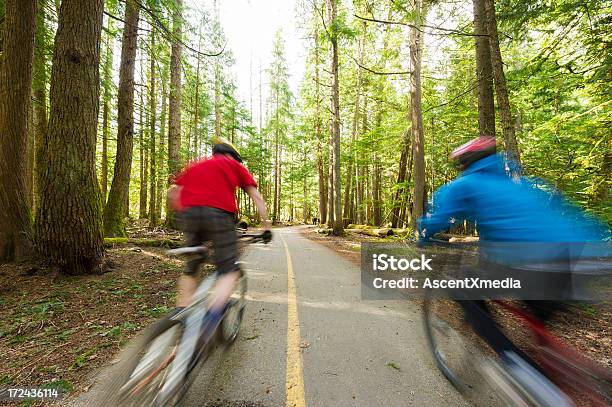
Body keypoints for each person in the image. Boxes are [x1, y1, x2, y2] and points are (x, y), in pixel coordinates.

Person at [418, 135, 608, 405]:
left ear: (464, 163)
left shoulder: (465, 184)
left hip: (534, 263)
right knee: (540, 325)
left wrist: (423, 236)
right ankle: (561, 375)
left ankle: (526, 373)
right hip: (579, 258)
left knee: (463, 288)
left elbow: (435, 220)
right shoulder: (522, 185)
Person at [169, 137, 272, 334]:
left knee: (192, 267)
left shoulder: (197, 165)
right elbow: (256, 197)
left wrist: (184, 215)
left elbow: (174, 194)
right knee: (229, 270)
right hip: (219, 215)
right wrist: (267, 227)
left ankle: (181, 313)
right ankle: (211, 320)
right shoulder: (233, 165)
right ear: (231, 155)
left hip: (189, 216)